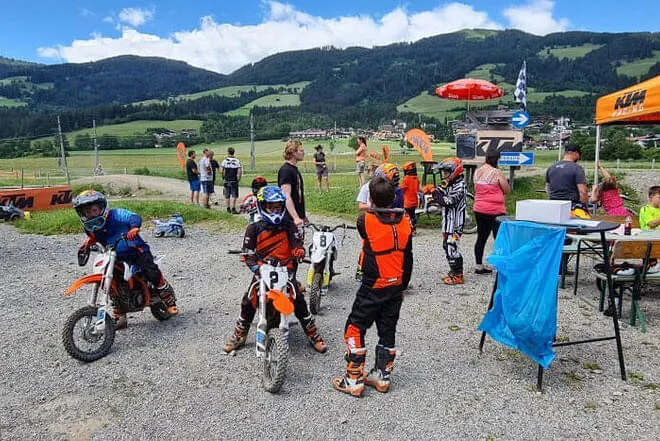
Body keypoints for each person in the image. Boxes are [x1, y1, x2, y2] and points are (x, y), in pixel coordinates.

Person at [332, 176, 413, 397]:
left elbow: (368, 229)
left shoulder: (365, 221)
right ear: (394, 198)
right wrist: (403, 285)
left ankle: (354, 379)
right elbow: (408, 257)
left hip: (374, 285)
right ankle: (382, 376)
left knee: (354, 326)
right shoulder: (406, 221)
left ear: (371, 199)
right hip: (396, 284)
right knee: (388, 328)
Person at [223, 186, 327, 354]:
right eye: (271, 207)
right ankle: (240, 333)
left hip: (285, 269)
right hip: (262, 270)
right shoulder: (254, 228)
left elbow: (296, 245)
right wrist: (256, 268)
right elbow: (248, 254)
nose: (275, 210)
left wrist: (299, 251)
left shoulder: (289, 225)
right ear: (262, 206)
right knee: (249, 299)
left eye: (278, 207)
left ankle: (312, 332)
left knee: (298, 299)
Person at [73, 190, 178, 329]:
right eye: (87, 212)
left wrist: (134, 228)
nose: (91, 214)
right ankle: (120, 315)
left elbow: (133, 217)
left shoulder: (116, 215)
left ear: (102, 208)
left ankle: (166, 294)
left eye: (94, 210)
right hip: (113, 256)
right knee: (112, 282)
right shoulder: (90, 227)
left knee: (150, 270)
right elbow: (96, 238)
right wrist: (88, 243)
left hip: (135, 251)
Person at [427, 157, 467, 285]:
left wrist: (434, 192)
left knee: (452, 246)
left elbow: (448, 201)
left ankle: (459, 275)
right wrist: (432, 191)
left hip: (455, 225)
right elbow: (440, 191)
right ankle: (453, 271)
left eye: (446, 172)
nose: (444, 174)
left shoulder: (460, 186)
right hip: (447, 223)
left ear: (454, 171)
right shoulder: (449, 183)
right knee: (446, 245)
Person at [473, 151, 511, 275]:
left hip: (479, 208)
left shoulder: (477, 172)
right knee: (499, 238)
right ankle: (501, 266)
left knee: (481, 237)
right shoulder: (496, 172)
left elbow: (476, 188)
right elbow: (507, 190)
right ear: (497, 160)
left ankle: (478, 265)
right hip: (495, 210)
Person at [545, 144, 588, 210]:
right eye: (579, 155)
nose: (579, 158)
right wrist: (585, 207)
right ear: (576, 153)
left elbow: (547, 187)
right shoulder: (577, 168)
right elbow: (583, 191)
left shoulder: (551, 167)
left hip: (554, 204)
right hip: (571, 205)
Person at [278, 139, 307, 227]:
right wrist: (296, 218)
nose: (303, 153)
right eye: (301, 151)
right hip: (289, 219)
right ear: (294, 152)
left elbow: (297, 195)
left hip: (298, 217)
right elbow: (286, 196)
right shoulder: (286, 170)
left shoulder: (294, 169)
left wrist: (302, 216)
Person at [400, 161, 420, 235]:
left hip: (407, 202)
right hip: (414, 201)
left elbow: (402, 189)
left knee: (407, 216)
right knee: (413, 215)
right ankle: (414, 230)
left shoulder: (406, 179)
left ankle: (409, 230)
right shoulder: (416, 179)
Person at [221, 147, 243, 214]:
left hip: (227, 179)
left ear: (228, 152)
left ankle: (228, 209)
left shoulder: (225, 161)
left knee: (227, 195)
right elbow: (239, 171)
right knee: (234, 195)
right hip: (234, 179)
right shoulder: (237, 161)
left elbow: (222, 171)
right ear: (234, 152)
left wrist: (223, 177)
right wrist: (238, 179)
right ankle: (233, 208)